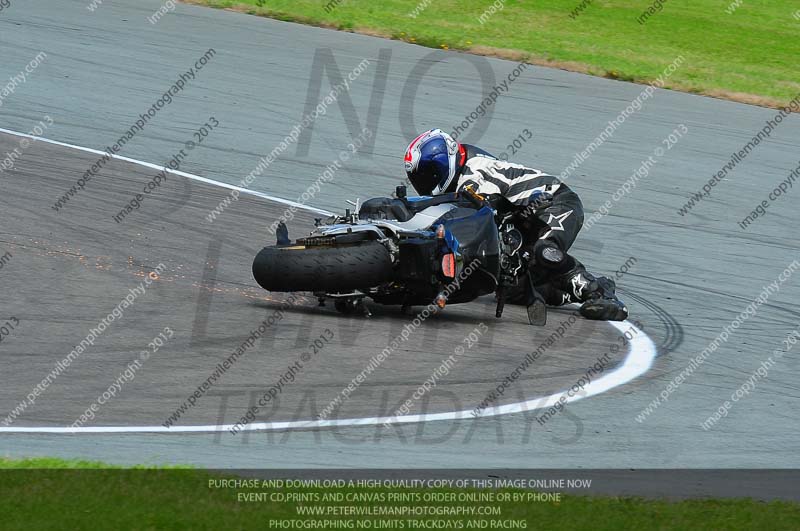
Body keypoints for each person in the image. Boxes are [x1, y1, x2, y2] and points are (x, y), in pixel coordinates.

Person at [403, 128, 628, 321]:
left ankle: (601, 293)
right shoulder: (461, 177)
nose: (427, 181)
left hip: (555, 202)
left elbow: (483, 214)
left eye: (431, 172)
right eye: (420, 177)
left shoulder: (474, 172)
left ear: (447, 159)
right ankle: (575, 290)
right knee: (514, 290)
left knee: (544, 251)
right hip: (523, 218)